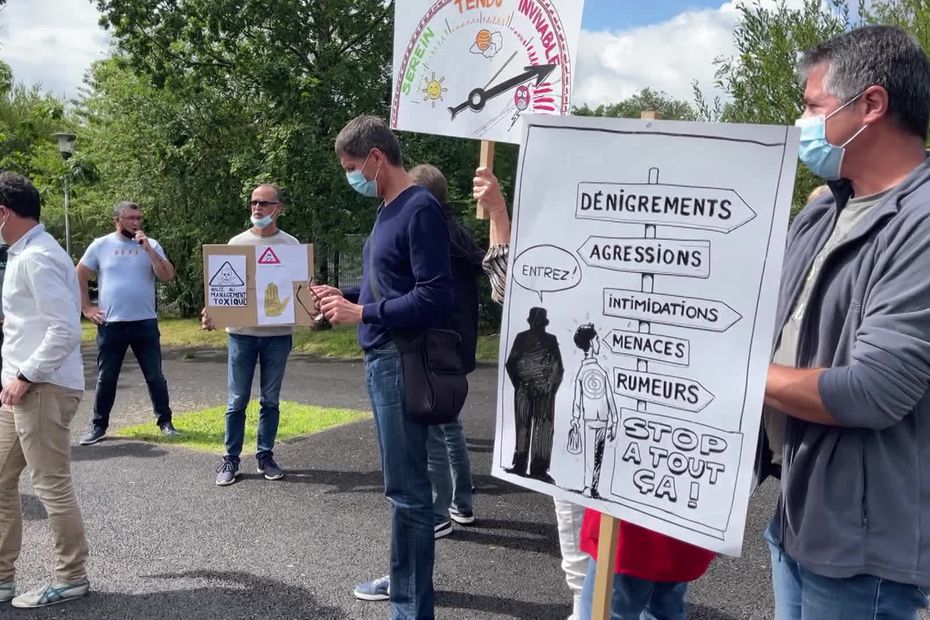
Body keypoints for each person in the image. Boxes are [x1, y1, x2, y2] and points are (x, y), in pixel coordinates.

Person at [473, 167, 714, 620]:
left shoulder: (675, 277)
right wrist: (501, 217)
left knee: (655, 582)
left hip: (652, 446)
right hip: (575, 432)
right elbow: (514, 292)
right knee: (585, 548)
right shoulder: (571, 270)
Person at [762, 25, 930, 618]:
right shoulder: (825, 209)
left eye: (812, 106)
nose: (802, 123)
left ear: (872, 104)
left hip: (865, 547)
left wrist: (731, 372)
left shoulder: (921, 223)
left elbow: (874, 391)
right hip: (799, 515)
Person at [312, 115, 453, 619]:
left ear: (376, 158)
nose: (351, 177)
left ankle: (410, 609)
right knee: (402, 488)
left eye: (353, 167)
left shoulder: (418, 208)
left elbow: (435, 296)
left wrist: (363, 313)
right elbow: (389, 284)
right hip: (383, 359)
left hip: (401, 360)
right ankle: (405, 598)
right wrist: (346, 296)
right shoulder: (387, 208)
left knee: (409, 492)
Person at [474, 167, 588, 620]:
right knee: (573, 505)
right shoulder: (548, 272)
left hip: (605, 402)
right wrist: (499, 211)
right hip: (550, 403)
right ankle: (583, 602)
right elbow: (508, 288)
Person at [0, 171, 90, 608]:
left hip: (42, 387)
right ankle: (2, 578)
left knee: (51, 485)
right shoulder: (24, 252)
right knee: (0, 479)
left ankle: (71, 576)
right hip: (20, 387)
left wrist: (25, 375)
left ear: (3, 213)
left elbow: (63, 330)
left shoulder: (36, 256)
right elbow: (34, 319)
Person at [202, 184, 298, 486]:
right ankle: (231, 458)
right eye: (254, 203)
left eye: (264, 203)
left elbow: (300, 291)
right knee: (237, 400)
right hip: (241, 334)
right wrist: (213, 312)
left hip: (278, 335)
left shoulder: (291, 246)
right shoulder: (236, 243)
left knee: (270, 400)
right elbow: (223, 288)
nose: (257, 208)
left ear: (278, 208)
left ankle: (265, 456)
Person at [409, 164, 483, 536]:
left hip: (438, 342)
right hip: (461, 340)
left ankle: (443, 507)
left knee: (441, 429)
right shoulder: (461, 235)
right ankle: (462, 502)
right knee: (450, 425)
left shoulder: (430, 234)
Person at [77, 200, 179, 445]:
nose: (135, 223)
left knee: (155, 375)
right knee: (107, 377)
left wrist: (150, 251)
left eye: (138, 218)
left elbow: (167, 276)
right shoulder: (101, 245)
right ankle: (98, 426)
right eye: (130, 218)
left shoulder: (151, 244)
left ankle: (165, 422)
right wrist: (87, 307)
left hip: (145, 322)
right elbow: (79, 273)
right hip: (112, 324)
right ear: (117, 220)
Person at [504, 306, 564, 483]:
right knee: (531, 426)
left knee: (538, 427)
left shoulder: (547, 340)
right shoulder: (523, 338)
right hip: (531, 387)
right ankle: (527, 466)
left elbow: (557, 368)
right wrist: (523, 384)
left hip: (537, 388)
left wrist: (548, 387)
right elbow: (511, 364)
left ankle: (533, 467)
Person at [569, 323, 618, 500]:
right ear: (591, 341)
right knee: (591, 454)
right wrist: (575, 417)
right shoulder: (583, 371)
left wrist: (614, 420)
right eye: (597, 339)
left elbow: (610, 397)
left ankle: (594, 486)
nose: (599, 342)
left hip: (601, 419)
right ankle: (588, 486)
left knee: (599, 454)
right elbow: (577, 398)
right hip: (590, 419)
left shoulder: (600, 371)